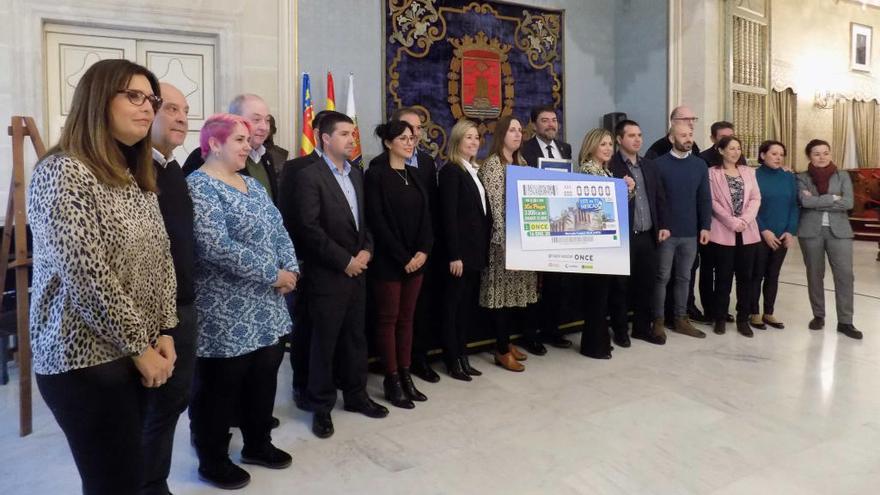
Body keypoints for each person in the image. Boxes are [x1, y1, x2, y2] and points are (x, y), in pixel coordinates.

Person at [28, 59, 177, 495]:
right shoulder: (63, 171)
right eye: (133, 96)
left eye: (151, 99)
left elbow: (162, 258)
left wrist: (165, 329)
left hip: (136, 353)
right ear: (97, 99)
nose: (148, 107)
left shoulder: (133, 176)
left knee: (130, 475)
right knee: (115, 483)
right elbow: (88, 276)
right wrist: (139, 346)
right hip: (84, 362)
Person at [187, 113, 298, 489]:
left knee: (263, 377)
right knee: (220, 387)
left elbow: (280, 229)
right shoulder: (199, 186)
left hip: (265, 307)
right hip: (224, 308)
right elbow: (216, 246)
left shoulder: (253, 185)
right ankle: (213, 460)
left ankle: (257, 444)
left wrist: (292, 269)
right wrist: (274, 274)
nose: (248, 146)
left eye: (248, 139)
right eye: (238, 139)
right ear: (213, 143)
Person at [293, 111, 388, 439]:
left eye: (353, 133)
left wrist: (366, 252)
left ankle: (356, 395)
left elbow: (365, 223)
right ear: (326, 138)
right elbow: (309, 229)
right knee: (324, 342)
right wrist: (344, 260)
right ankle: (320, 405)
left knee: (355, 338)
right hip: (328, 275)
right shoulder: (310, 175)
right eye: (345, 134)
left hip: (358, 271)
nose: (352, 139)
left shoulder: (356, 173)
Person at [142, 82, 197, 495]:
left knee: (174, 400)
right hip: (146, 316)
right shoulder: (134, 170)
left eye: (185, 110)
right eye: (172, 109)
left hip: (182, 307)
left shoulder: (173, 169)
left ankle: (153, 481)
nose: (182, 117)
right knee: (149, 407)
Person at [365, 120, 432, 407]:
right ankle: (391, 378)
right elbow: (377, 221)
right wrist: (403, 257)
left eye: (411, 138)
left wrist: (424, 251)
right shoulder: (375, 175)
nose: (409, 142)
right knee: (388, 320)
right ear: (388, 143)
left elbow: (427, 218)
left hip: (417, 261)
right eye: (403, 138)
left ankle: (406, 374)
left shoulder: (415, 174)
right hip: (389, 262)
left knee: (407, 320)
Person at [279, 109, 333, 410]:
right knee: (304, 327)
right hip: (306, 261)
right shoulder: (297, 167)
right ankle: (301, 384)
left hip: (337, 265)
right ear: (318, 133)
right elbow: (289, 217)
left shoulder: (348, 167)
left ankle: (326, 380)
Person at [478, 116, 539, 372]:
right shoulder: (492, 165)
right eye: (511, 130)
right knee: (501, 300)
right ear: (501, 134)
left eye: (519, 130)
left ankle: (509, 342)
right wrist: (507, 243)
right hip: (502, 243)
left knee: (516, 297)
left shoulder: (522, 162)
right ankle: (501, 349)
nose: (517, 134)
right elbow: (495, 209)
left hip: (522, 240)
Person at [387, 106, 442, 383]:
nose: (415, 135)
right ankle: (395, 371)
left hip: (424, 250)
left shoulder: (427, 162)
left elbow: (431, 208)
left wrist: (425, 248)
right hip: (395, 257)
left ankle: (419, 360)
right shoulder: (379, 168)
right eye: (409, 130)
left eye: (418, 129)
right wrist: (404, 254)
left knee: (422, 310)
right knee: (394, 317)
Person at [437, 119, 491, 380]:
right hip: (459, 255)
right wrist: (454, 255)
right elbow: (448, 217)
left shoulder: (474, 171)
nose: (473, 142)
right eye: (468, 137)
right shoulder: (451, 171)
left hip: (475, 253)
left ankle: (463, 355)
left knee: (466, 308)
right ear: (457, 141)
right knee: (452, 308)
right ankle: (452, 359)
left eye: (476, 138)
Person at [608, 119, 669, 346]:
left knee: (646, 284)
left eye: (640, 135)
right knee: (621, 286)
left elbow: (659, 198)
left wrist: (663, 225)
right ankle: (621, 330)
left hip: (648, 234)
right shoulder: (611, 166)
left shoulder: (649, 165)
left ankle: (642, 328)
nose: (637, 140)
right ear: (619, 139)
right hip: (624, 237)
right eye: (631, 135)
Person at [520, 105, 574, 351]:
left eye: (554, 120)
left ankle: (553, 330)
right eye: (545, 120)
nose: (551, 124)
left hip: (561, 223)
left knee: (558, 283)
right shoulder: (524, 149)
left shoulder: (565, 148)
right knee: (534, 284)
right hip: (536, 221)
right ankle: (531, 335)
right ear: (534, 124)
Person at [577, 128, 635, 358]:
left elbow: (615, 205)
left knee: (604, 294)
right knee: (596, 296)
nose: (609, 148)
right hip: (594, 243)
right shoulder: (588, 171)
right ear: (592, 146)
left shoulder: (606, 172)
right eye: (603, 144)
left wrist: (627, 189)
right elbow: (591, 207)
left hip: (608, 242)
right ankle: (593, 345)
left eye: (611, 144)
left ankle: (599, 339)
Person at [797, 139, 862, 339]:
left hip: (840, 232)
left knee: (845, 275)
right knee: (815, 275)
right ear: (809, 156)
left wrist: (816, 201)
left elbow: (848, 202)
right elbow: (804, 202)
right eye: (817, 153)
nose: (822, 157)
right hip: (810, 231)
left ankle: (846, 321)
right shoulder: (801, 177)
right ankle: (818, 315)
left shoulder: (842, 175)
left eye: (826, 153)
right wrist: (833, 198)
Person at [652, 125, 712, 340]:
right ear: (671, 138)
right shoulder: (658, 165)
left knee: (685, 277)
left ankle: (680, 318)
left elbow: (704, 197)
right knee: (661, 277)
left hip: (690, 232)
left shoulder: (699, 165)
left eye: (690, 135)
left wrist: (705, 226)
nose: (688, 139)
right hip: (666, 233)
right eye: (683, 135)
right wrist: (661, 226)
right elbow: (656, 201)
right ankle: (657, 320)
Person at [706, 136, 761, 336]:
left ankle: (742, 318)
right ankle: (720, 317)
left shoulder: (748, 172)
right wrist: (731, 221)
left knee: (745, 278)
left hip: (747, 232)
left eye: (738, 148)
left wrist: (744, 220)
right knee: (723, 278)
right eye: (731, 148)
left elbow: (756, 198)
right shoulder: (712, 173)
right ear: (721, 151)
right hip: (723, 231)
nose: (736, 152)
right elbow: (712, 201)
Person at [693, 121, 747, 323]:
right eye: (723, 138)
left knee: (728, 271)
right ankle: (710, 310)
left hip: (736, 226)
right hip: (710, 223)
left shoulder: (740, 161)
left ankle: (722, 309)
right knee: (708, 269)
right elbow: (706, 196)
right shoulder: (703, 159)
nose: (730, 143)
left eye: (732, 138)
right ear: (714, 140)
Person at [183, 94, 280, 203]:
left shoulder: (267, 157)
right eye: (256, 120)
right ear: (235, 119)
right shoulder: (203, 156)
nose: (264, 127)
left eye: (267, 120)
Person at [750, 140, 798, 330]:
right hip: (760, 234)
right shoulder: (753, 176)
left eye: (781, 154)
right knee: (757, 274)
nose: (778, 158)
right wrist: (764, 231)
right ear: (762, 155)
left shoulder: (788, 177)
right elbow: (751, 208)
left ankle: (768, 312)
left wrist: (790, 230)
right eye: (773, 154)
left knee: (773, 275)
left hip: (782, 234)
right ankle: (754, 312)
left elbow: (794, 205)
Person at [265, 114, 290, 180]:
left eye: (267, 125)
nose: (263, 129)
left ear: (273, 130)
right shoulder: (246, 152)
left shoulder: (282, 153)